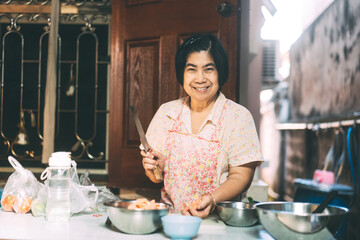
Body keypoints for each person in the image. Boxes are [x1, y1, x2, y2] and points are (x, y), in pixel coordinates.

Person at [141, 33, 263, 218]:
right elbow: (156, 176)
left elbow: (241, 177)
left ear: (220, 72)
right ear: (181, 73)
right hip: (172, 220)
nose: (200, 79)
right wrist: (155, 167)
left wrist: (212, 199)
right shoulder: (166, 113)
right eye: (191, 69)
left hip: (221, 221)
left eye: (209, 69)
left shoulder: (238, 117)